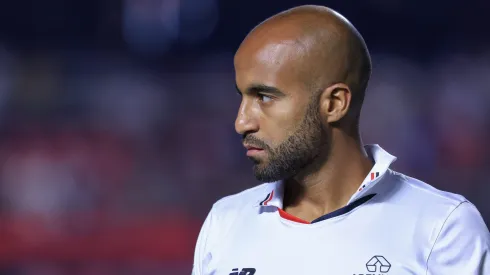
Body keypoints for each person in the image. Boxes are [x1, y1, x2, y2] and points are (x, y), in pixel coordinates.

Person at [192, 5, 490, 275]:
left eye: (265, 97)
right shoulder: (225, 221)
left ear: (334, 104)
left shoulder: (443, 227)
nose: (241, 122)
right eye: (241, 97)